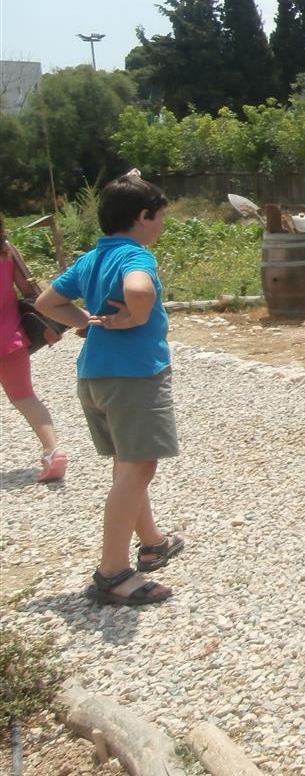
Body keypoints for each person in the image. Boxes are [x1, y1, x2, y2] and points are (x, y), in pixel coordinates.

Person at [34, 172, 184, 605]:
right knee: (138, 469)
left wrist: (86, 321)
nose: (162, 225)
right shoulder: (135, 256)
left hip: (94, 376)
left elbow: (46, 303)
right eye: (160, 217)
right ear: (143, 216)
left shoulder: (92, 258)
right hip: (133, 377)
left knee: (127, 463)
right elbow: (138, 288)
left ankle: (153, 542)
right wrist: (134, 317)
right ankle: (113, 573)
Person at [1, 218, 68, 482]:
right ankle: (53, 451)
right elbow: (29, 290)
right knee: (25, 397)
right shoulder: (6, 249)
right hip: (10, 338)